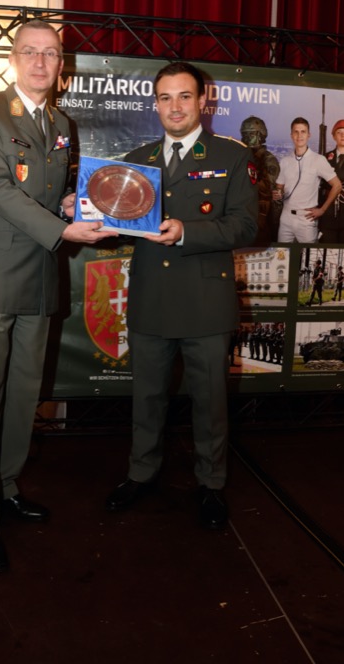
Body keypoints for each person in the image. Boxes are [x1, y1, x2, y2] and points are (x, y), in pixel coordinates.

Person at [0, 20, 118, 573]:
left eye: (51, 54)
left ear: (61, 65)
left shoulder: (62, 123)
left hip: (40, 274)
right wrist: (62, 228)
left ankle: (6, 488)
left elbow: (51, 191)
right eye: (30, 52)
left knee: (24, 394)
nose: (41, 62)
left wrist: (72, 204)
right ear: (14, 59)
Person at [105, 61, 258, 529]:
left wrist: (186, 231)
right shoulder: (138, 159)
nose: (175, 106)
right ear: (155, 104)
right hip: (151, 295)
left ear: (203, 101)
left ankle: (211, 483)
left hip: (205, 300)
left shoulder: (231, 157)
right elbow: (121, 224)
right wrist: (93, 213)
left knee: (209, 402)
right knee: (147, 397)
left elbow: (246, 225)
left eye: (185, 96)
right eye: (165, 97)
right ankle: (141, 472)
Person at [273, 118, 342, 243]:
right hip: (286, 217)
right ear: (291, 135)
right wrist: (278, 193)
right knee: (282, 253)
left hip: (306, 219)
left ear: (308, 135)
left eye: (303, 132)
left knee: (309, 254)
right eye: (296, 132)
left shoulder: (318, 160)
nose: (299, 136)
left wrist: (322, 210)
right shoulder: (284, 161)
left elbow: (337, 185)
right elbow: (279, 187)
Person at [239, 116, 280, 246]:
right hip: (243, 214)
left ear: (261, 135)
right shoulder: (242, 156)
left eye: (251, 134)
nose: (246, 138)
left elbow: (268, 189)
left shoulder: (268, 160)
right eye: (244, 134)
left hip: (261, 216)